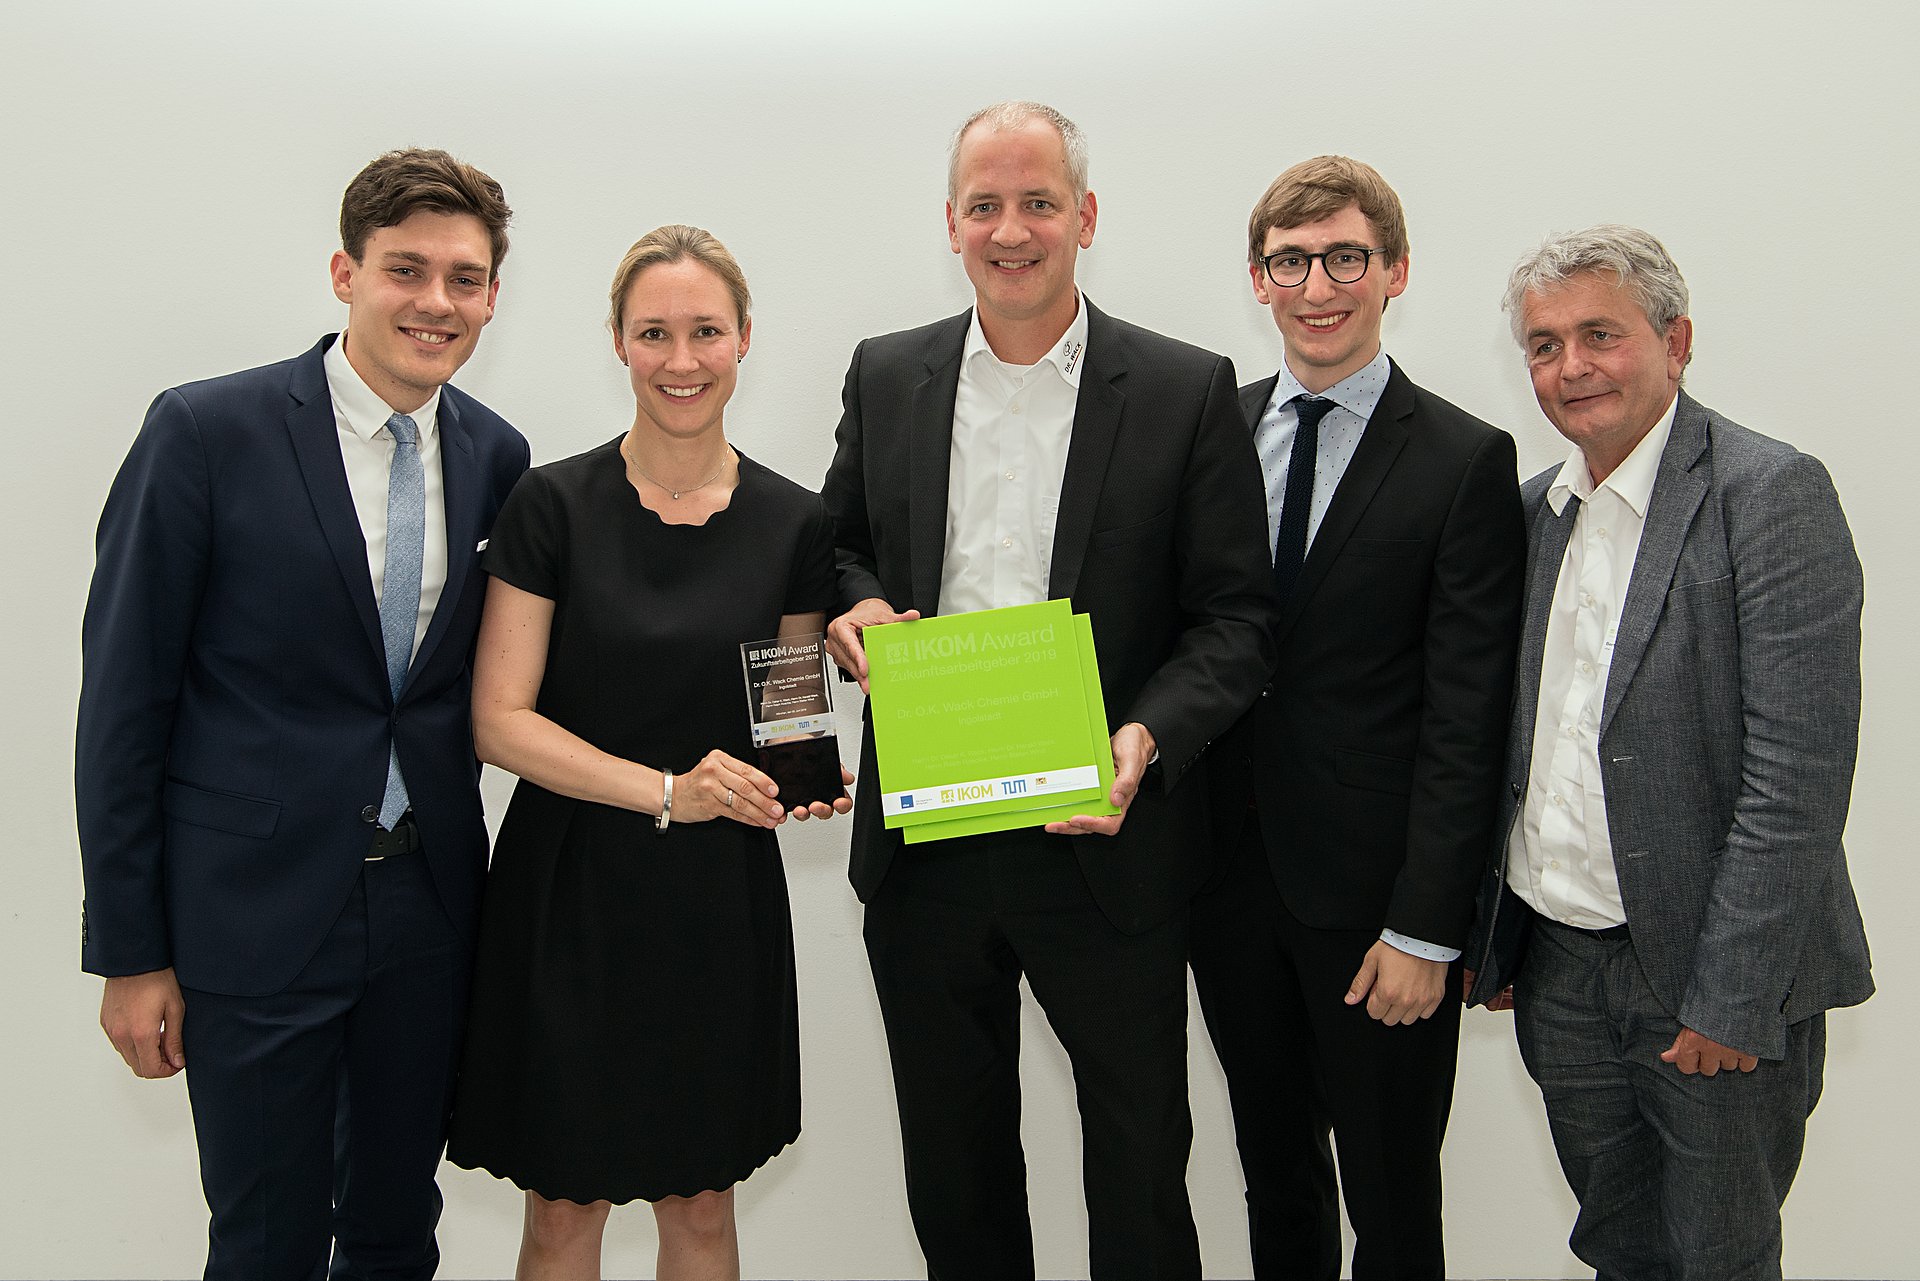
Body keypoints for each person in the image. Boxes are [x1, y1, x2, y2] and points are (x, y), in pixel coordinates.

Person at [820, 102, 1276, 1280]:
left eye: (1035, 202)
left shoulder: (1184, 389)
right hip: (925, 842)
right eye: (985, 205)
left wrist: (1146, 741)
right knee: (954, 1169)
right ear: (953, 223)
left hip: (1107, 839)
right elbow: (836, 546)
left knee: (1137, 1166)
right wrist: (854, 606)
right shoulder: (887, 374)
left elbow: (1235, 622)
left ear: (1084, 216)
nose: (1010, 229)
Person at [75, 148, 527, 1280]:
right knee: (266, 1239)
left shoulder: (497, 455)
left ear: (491, 297)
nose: (437, 302)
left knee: (393, 1229)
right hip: (251, 919)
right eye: (406, 270)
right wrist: (130, 954)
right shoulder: (203, 432)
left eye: (465, 280)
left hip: (426, 913)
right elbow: (125, 705)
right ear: (345, 272)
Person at [1464, 224, 1873, 1279]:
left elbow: (1797, 784)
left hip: (1706, 983)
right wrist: (1509, 936)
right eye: (1545, 346)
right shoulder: (1536, 517)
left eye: (1600, 334)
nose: (1571, 367)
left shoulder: (1768, 495)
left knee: (1720, 1259)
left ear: (1676, 340)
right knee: (1619, 1247)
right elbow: (1525, 743)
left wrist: (1731, 998)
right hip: (1562, 968)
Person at [445, 224, 850, 1281]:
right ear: (618, 343)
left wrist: (807, 776)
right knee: (563, 1216)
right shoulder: (550, 504)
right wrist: (672, 791)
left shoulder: (794, 521)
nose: (682, 359)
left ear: (745, 340)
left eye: (706, 331)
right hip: (567, 894)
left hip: (717, 905)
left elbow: (791, 718)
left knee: (704, 1212)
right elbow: (500, 720)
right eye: (655, 332)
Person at [1187, 156, 1525, 1280]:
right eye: (1291, 261)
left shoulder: (1464, 460)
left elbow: (1468, 714)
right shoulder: (1210, 433)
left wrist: (1430, 926)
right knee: (1274, 1181)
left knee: (1390, 1202)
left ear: (1395, 272)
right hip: (1228, 895)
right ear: (1258, 278)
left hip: (1380, 916)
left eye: (1345, 258)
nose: (1317, 285)